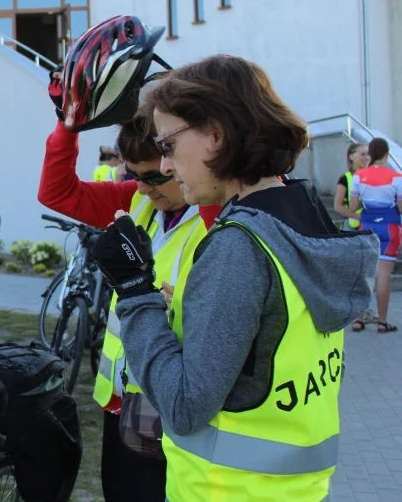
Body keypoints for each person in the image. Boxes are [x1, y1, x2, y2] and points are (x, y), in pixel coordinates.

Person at [93, 55, 375, 501]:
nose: (164, 167)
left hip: (222, 490)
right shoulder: (301, 214)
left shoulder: (238, 245)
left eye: (167, 146)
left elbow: (185, 406)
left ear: (216, 135)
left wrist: (132, 289)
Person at [39, 14, 217, 502]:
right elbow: (56, 192)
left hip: (170, 402)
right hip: (119, 402)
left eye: (157, 175)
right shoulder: (135, 199)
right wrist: (68, 124)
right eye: (135, 174)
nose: (145, 186)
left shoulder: (217, 217)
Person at [349, 137, 400, 333]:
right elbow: (401, 207)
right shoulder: (397, 177)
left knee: (364, 273)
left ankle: (359, 319)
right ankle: (382, 321)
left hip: (367, 226)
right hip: (390, 227)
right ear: (386, 155)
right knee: (384, 276)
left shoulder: (359, 176)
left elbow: (353, 207)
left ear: (370, 154)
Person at [333, 143, 369, 230]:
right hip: (352, 227)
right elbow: (337, 206)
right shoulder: (345, 178)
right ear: (351, 157)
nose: (367, 157)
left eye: (368, 154)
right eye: (363, 154)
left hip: (372, 225)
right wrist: (357, 217)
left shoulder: (374, 176)